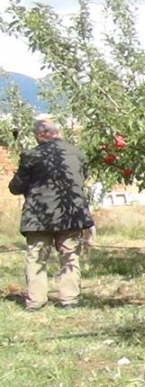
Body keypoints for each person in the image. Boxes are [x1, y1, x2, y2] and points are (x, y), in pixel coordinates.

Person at [7, 117, 94, 310]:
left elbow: (16, 187)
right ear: (57, 133)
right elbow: (82, 178)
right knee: (70, 255)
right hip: (71, 213)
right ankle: (69, 299)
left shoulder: (31, 155)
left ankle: (36, 301)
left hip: (39, 216)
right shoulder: (77, 154)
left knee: (37, 257)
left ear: (40, 135)